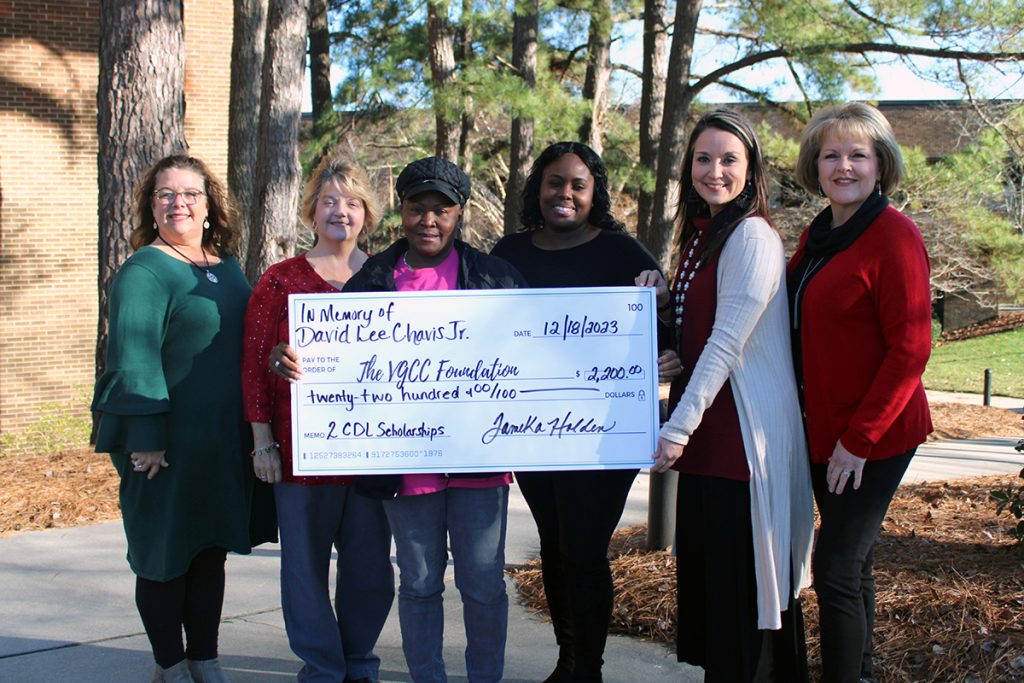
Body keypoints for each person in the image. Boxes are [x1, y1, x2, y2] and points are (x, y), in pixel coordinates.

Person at [490, 141, 675, 683]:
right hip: (531, 430)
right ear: (537, 189)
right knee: (554, 546)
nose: (564, 194)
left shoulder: (624, 253)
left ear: (595, 193)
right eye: (554, 182)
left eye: (577, 184)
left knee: (585, 547)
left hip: (602, 435)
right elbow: (483, 329)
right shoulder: (510, 252)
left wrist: (667, 350)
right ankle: (568, 659)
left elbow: (666, 324)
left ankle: (585, 669)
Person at [91, 154, 276, 683]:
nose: (179, 203)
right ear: (152, 205)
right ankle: (169, 666)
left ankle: (206, 659)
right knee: (164, 555)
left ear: (209, 204)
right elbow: (133, 357)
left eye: (190, 193)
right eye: (166, 194)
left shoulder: (227, 264)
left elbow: (248, 341)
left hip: (222, 440)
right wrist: (146, 437)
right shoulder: (144, 270)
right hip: (164, 443)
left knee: (208, 552)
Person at [645, 109, 815, 682]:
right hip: (708, 442)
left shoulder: (752, 235)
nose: (713, 170)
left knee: (740, 602)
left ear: (752, 170)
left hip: (741, 445)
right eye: (702, 158)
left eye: (728, 160)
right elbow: (702, 338)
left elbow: (727, 344)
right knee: (715, 600)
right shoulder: (702, 235)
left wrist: (677, 426)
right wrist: (665, 311)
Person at [346, 156, 526, 683]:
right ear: (400, 213)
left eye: (441, 210)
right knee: (421, 581)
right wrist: (295, 356)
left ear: (459, 214)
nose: (428, 220)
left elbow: (534, 353)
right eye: (416, 208)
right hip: (408, 463)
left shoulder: (496, 277)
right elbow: (339, 363)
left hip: (479, 460)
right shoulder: (372, 280)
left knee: (484, 582)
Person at [788, 102, 932, 683]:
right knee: (856, 562)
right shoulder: (819, 235)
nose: (843, 166)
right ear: (815, 165)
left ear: (881, 165)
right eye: (831, 155)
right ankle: (863, 670)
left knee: (837, 566)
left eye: (857, 155)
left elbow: (911, 349)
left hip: (875, 435)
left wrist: (859, 440)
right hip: (826, 431)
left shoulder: (894, 235)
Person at [241, 154, 394, 683]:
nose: (340, 212)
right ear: (311, 212)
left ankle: (359, 663)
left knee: (371, 569)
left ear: (366, 215)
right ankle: (323, 668)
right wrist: (263, 441)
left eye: (352, 203)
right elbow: (255, 363)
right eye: (329, 201)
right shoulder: (280, 281)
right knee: (304, 571)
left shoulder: (385, 278)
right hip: (302, 453)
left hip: (373, 452)